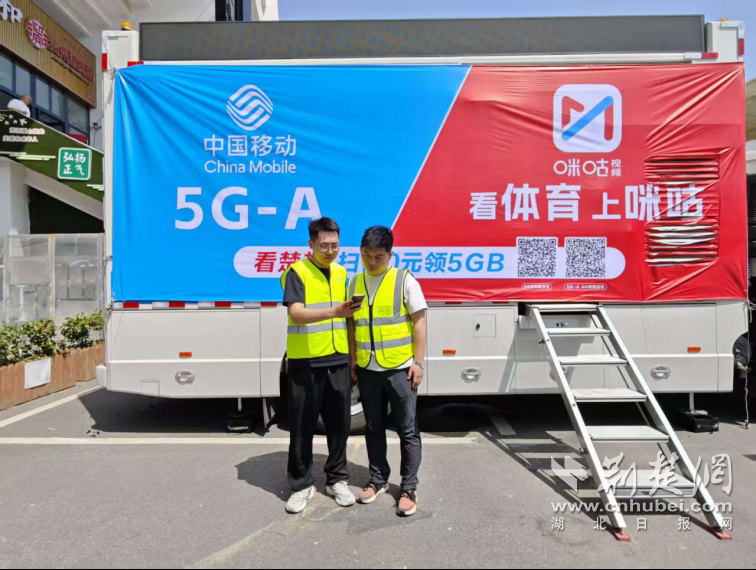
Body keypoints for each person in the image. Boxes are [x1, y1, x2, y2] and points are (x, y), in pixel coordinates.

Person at [280, 217, 362, 514]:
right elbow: (296, 314)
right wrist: (334, 311)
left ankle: (337, 479)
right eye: (324, 245)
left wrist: (353, 357)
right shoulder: (297, 272)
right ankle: (301, 485)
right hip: (306, 361)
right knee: (302, 427)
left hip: (338, 359)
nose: (330, 251)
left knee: (340, 425)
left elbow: (349, 318)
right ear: (311, 244)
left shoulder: (343, 274)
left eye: (335, 246)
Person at [347, 226, 427, 517]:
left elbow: (419, 321)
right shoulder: (354, 282)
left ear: (390, 255)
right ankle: (378, 479)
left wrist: (418, 362)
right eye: (366, 255)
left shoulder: (404, 280)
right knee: (373, 427)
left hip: (400, 369)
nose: (371, 262)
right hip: (368, 369)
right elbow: (352, 323)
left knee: (407, 430)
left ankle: (408, 487)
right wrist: (354, 360)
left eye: (378, 256)